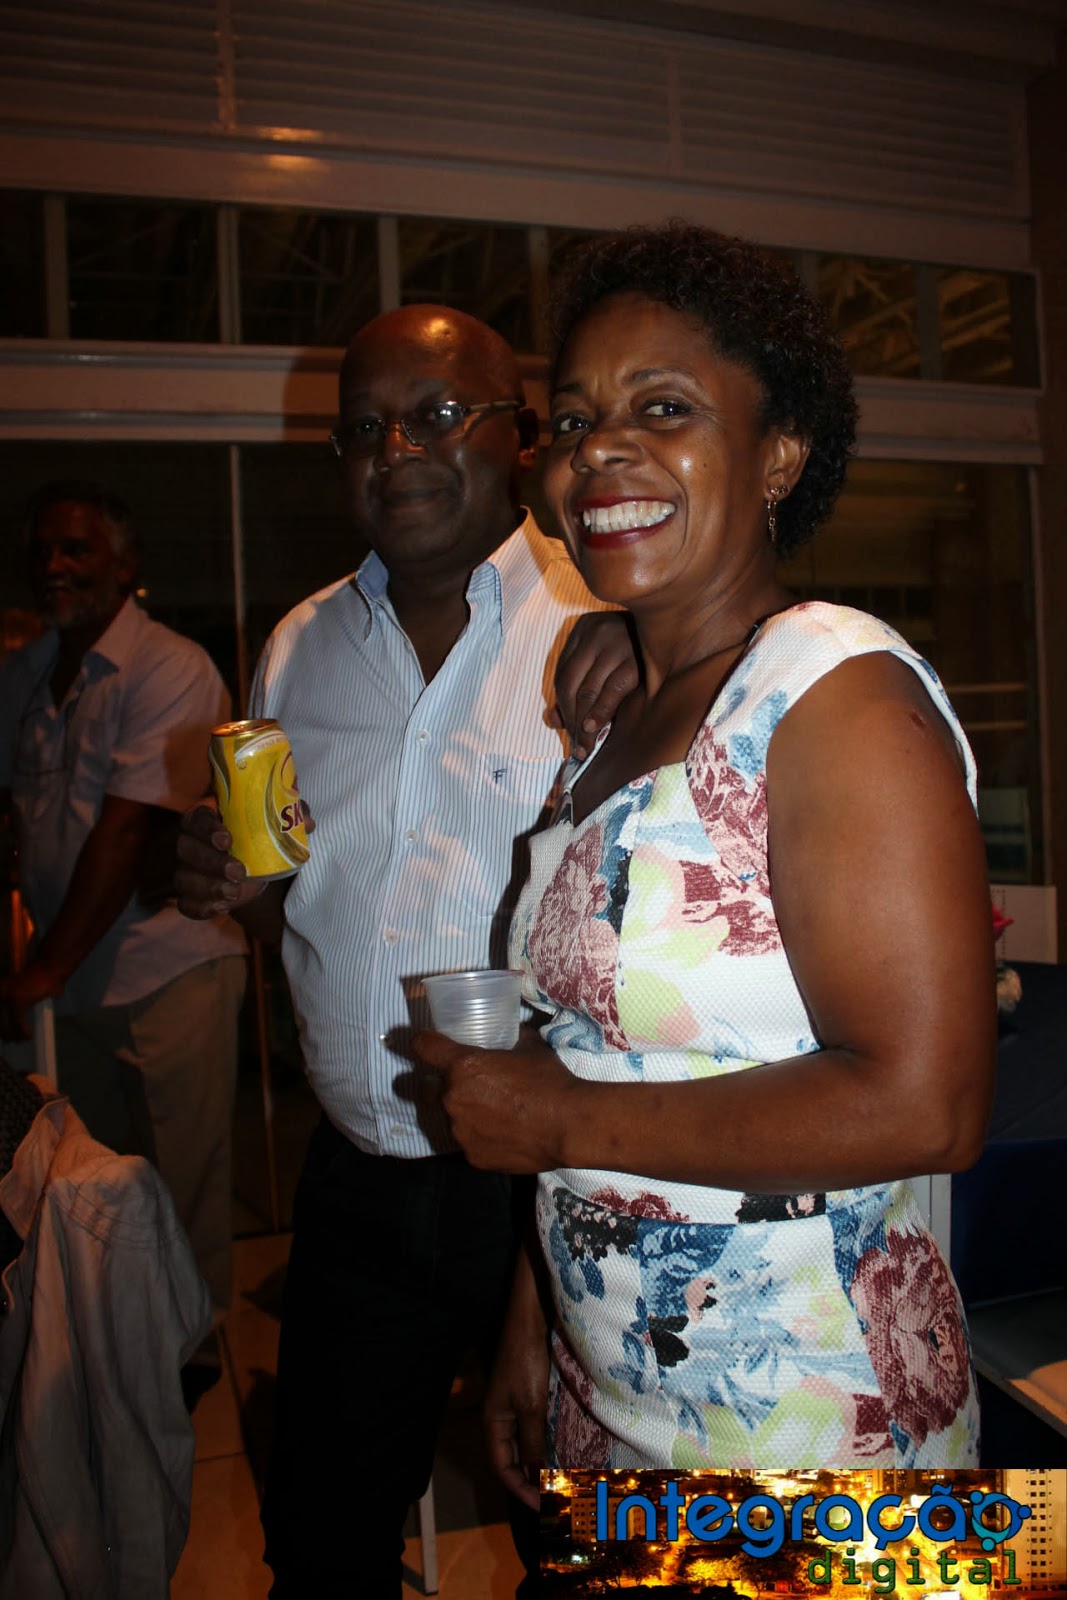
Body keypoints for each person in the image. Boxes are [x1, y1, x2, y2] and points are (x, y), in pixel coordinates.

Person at [415, 222, 998, 1479]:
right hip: (612, 1397)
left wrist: (549, 1118)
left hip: (816, 1438)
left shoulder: (835, 696)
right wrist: (532, 1314)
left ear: (777, 453)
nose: (597, 449)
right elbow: (595, 1053)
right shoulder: (613, 720)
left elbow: (928, 1104)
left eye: (662, 406)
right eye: (573, 421)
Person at [173, 303, 632, 1599]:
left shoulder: (608, 627)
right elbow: (296, 899)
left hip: (547, 1190)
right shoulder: (299, 644)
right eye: (362, 428)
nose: (395, 452)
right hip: (358, 1179)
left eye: (434, 414)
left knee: (582, 1547)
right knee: (319, 1544)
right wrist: (232, 886)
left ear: (518, 435)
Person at [0, 481, 247, 1329]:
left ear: (123, 564)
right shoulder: (26, 674)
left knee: (182, 1186)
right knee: (86, 1186)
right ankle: (112, 1351)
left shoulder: (169, 665)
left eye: (76, 549)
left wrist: (41, 969)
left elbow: (126, 834)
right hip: (69, 982)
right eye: (42, 551)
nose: (54, 566)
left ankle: (193, 1358)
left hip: (167, 971)